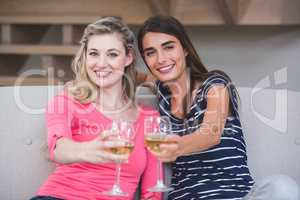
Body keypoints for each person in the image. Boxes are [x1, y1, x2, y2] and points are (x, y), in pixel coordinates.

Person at [136, 15, 299, 199]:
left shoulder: (215, 84)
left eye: (169, 47)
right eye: (150, 53)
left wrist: (175, 147)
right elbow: (132, 74)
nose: (161, 59)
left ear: (186, 48)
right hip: (187, 197)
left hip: (236, 196)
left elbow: (210, 135)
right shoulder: (163, 94)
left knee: (282, 187)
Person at [30, 16, 162, 200]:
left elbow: (153, 191)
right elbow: (58, 147)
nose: (101, 63)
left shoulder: (149, 117)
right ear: (84, 57)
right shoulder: (67, 100)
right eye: (93, 53)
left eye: (112, 54)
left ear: (128, 57)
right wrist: (87, 150)